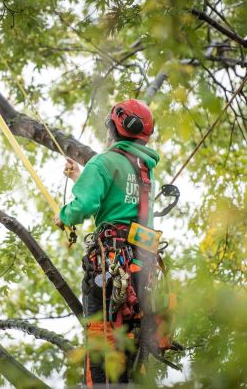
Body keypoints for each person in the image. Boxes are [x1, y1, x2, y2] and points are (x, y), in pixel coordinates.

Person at [54, 98, 160, 385]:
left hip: (108, 267)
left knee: (100, 340)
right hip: (140, 271)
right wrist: (81, 176)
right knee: (125, 344)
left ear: (115, 127)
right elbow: (119, 204)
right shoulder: (146, 171)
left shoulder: (103, 162)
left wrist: (64, 215)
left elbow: (84, 206)